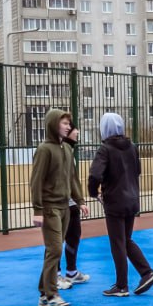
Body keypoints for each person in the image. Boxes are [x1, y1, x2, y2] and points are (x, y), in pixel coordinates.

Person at [88, 112, 153, 297]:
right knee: (126, 240)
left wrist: (93, 191)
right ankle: (146, 273)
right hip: (132, 199)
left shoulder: (105, 149)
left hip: (114, 201)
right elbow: (138, 170)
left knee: (117, 243)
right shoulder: (132, 147)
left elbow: (95, 174)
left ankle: (122, 285)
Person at [30, 109, 89, 306]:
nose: (68, 127)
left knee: (53, 249)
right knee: (55, 249)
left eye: (68, 123)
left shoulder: (66, 149)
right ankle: (52, 295)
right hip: (49, 208)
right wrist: (38, 209)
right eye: (64, 123)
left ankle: (43, 293)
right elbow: (36, 181)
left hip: (65, 207)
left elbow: (71, 178)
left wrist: (80, 200)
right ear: (54, 124)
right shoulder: (44, 149)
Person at [57, 124, 90, 290]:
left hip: (71, 203)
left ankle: (71, 272)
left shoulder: (70, 151)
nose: (76, 131)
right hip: (57, 205)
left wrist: (79, 201)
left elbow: (73, 179)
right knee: (55, 241)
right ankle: (54, 276)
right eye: (72, 127)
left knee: (74, 235)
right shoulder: (54, 150)